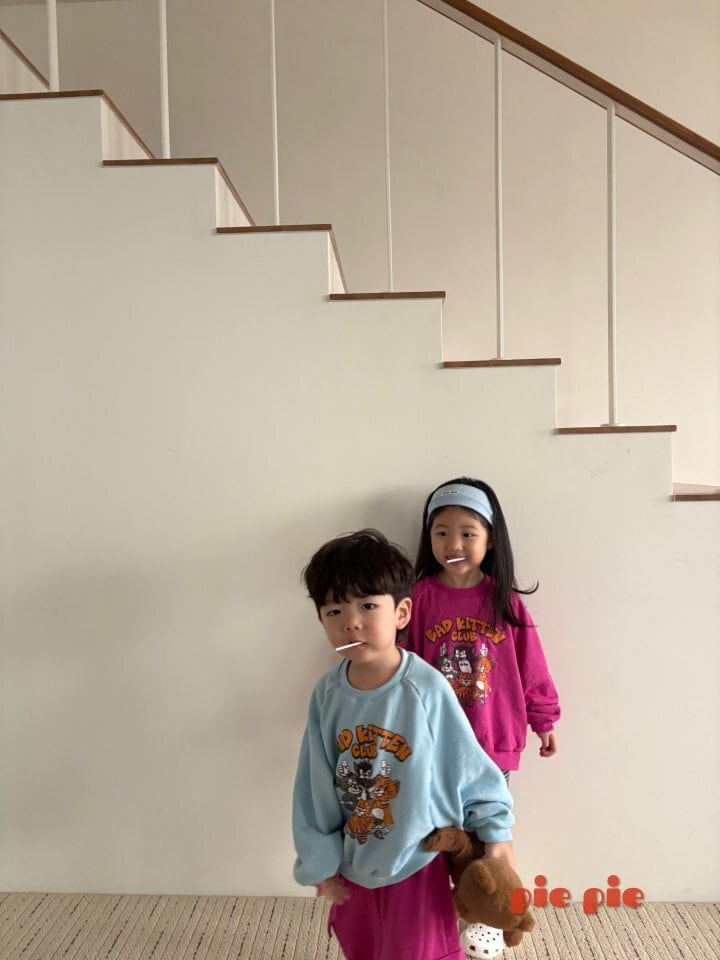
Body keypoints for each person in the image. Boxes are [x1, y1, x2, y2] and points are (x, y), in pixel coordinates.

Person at [292, 528, 514, 960]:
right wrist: (320, 861)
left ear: (401, 612)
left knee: (418, 950)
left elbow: (467, 765)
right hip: (354, 857)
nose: (351, 622)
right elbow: (314, 783)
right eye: (334, 610)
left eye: (367, 605)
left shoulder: (425, 688)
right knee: (362, 945)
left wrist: (496, 832)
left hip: (418, 858)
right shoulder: (327, 694)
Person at [405, 478, 560, 782]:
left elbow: (531, 665)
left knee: (491, 814)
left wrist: (543, 719)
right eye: (442, 533)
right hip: (433, 743)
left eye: (468, 534)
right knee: (436, 815)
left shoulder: (504, 601)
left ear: (489, 539)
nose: (454, 544)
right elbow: (399, 666)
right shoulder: (417, 599)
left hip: (493, 743)